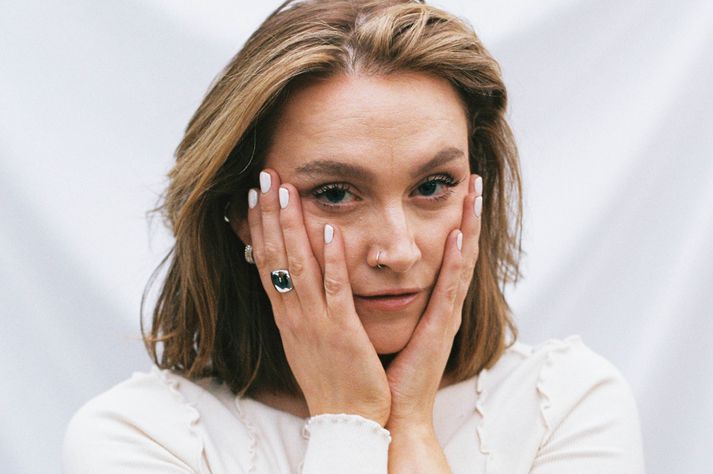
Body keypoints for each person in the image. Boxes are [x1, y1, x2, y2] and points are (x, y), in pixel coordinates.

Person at [63, 0, 645, 472]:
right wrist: (352, 418)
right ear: (241, 212)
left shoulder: (565, 407)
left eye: (433, 185)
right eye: (337, 194)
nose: (398, 251)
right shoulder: (140, 438)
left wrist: (412, 425)